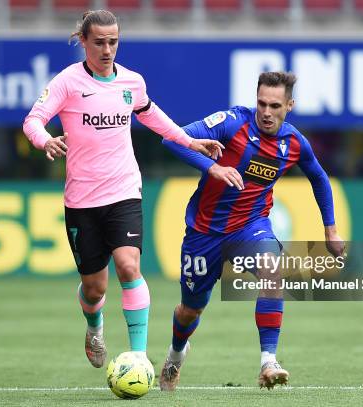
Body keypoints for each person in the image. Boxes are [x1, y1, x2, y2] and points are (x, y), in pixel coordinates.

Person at [22, 10, 223, 370]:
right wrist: (44, 141)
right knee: (95, 288)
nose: (107, 49)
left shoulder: (132, 82)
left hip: (124, 190)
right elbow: (33, 120)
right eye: (98, 42)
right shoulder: (67, 82)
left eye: (113, 41)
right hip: (82, 199)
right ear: (83, 41)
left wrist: (190, 142)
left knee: (129, 266)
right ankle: (94, 326)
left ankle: (138, 357)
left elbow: (152, 115)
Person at [158, 72, 345, 390]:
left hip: (250, 227)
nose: (266, 112)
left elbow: (319, 178)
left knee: (274, 271)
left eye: (275, 105)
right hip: (204, 232)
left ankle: (268, 361)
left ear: (289, 106)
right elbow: (172, 139)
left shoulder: (294, 143)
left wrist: (331, 230)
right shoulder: (232, 122)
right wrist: (212, 167)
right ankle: (176, 354)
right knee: (190, 309)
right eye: (261, 103)